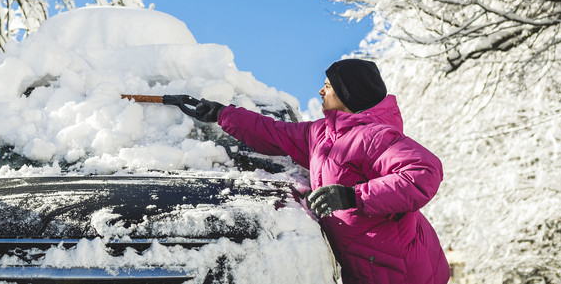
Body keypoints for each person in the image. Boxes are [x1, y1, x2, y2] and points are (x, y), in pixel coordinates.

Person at [166, 58, 450, 284]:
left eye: (328, 85)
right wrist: (221, 113)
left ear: (348, 93)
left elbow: (424, 172)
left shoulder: (374, 136)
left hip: (401, 269)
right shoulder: (321, 134)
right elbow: (272, 132)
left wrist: (353, 196)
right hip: (367, 267)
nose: (321, 91)